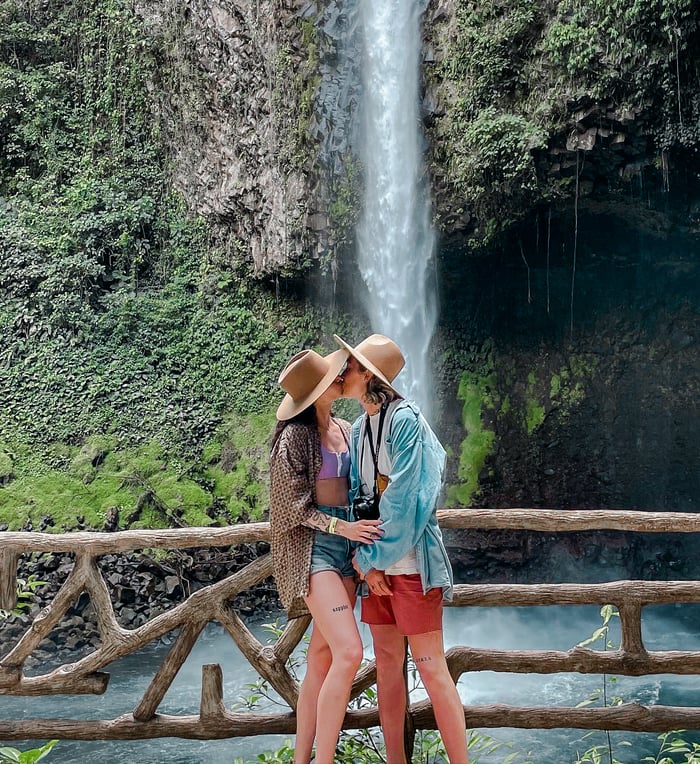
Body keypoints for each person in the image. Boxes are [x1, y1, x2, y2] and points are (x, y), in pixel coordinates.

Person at [334, 333, 469, 764]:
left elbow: (407, 502)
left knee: (431, 668)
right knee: (388, 668)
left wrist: (366, 559)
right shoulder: (358, 430)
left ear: (370, 376)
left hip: (413, 566)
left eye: (351, 367)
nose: (344, 372)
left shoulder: (406, 420)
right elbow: (358, 498)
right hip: (377, 571)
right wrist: (368, 566)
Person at [269, 347, 384, 764]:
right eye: (333, 376)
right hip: (313, 548)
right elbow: (288, 508)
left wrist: (359, 543)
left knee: (321, 659)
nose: (342, 377)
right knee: (350, 652)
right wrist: (342, 528)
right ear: (314, 392)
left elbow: (360, 490)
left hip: (347, 550)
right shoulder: (295, 438)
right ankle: (324, 760)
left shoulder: (347, 427)